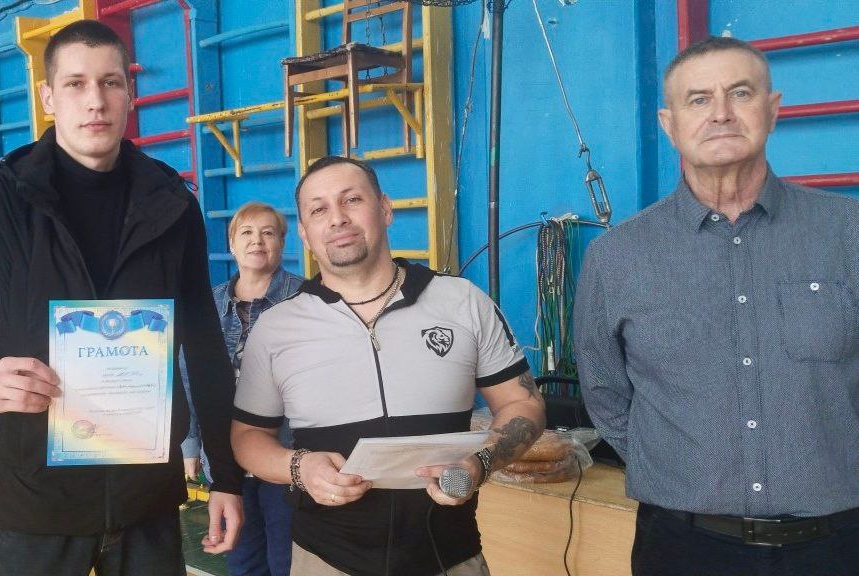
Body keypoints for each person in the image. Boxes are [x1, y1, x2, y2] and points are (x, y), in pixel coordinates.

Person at [0, 19, 244, 575]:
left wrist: (227, 478)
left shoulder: (172, 205)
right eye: (75, 84)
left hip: (146, 499)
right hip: (35, 501)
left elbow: (206, 347)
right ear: (48, 97)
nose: (96, 100)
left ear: (129, 93)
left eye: (110, 82)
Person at [574, 36, 858, 576]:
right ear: (670, 124)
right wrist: (681, 473)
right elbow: (605, 394)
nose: (721, 113)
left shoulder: (847, 233)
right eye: (699, 99)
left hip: (837, 547)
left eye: (741, 93)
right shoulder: (617, 257)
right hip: (683, 549)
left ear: (772, 109)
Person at [230, 156, 546, 576]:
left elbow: (524, 404)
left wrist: (479, 462)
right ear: (304, 234)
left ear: (385, 208)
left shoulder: (462, 302)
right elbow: (248, 436)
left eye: (352, 200)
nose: (337, 218)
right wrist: (298, 468)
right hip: (325, 560)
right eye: (319, 210)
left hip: (451, 558)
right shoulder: (276, 328)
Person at [181, 201, 302, 575]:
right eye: (246, 232)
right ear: (232, 243)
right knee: (243, 559)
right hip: (225, 456)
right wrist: (190, 444)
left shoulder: (307, 299)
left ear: (282, 243)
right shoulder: (208, 303)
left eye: (268, 233)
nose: (257, 241)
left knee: (287, 559)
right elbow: (189, 377)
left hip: (288, 452)